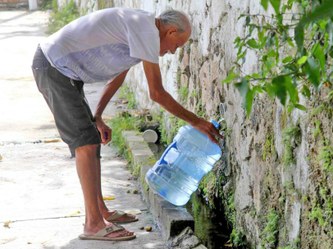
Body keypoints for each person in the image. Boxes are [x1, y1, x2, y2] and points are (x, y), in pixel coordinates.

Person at [32, 7, 222, 241]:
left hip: (64, 71)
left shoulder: (140, 30)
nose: (173, 51)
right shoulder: (145, 30)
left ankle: (101, 211)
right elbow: (157, 93)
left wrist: (98, 116)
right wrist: (198, 122)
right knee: (86, 144)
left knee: (92, 138)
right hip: (53, 67)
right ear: (171, 31)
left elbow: (117, 77)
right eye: (177, 45)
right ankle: (93, 225)